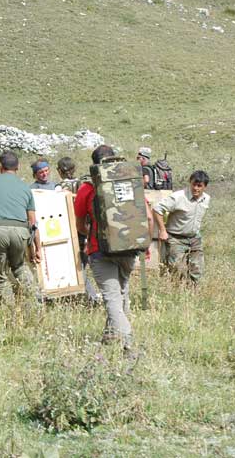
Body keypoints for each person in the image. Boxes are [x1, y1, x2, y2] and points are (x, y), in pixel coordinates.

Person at [74, 145, 152, 355]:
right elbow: (148, 216)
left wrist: (92, 233)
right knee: (122, 293)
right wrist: (144, 244)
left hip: (101, 251)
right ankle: (109, 336)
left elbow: (79, 224)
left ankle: (129, 344)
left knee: (112, 299)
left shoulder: (87, 189)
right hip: (130, 248)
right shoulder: (129, 182)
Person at [0, 151, 42, 307]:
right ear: (18, 167)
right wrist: (37, 247)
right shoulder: (25, 188)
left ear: (0, 166)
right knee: (19, 267)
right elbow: (33, 222)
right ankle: (36, 301)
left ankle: (9, 309)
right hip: (20, 231)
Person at [152, 170, 211, 287]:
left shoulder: (206, 199)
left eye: (200, 186)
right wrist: (162, 230)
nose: (196, 188)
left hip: (194, 238)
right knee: (175, 269)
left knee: (197, 269)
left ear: (205, 187)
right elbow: (157, 208)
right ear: (190, 182)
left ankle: (193, 292)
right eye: (194, 184)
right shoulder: (178, 197)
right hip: (176, 238)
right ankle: (175, 290)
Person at [56, 156, 102, 305]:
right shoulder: (83, 184)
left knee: (78, 267)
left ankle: (92, 296)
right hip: (88, 229)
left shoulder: (59, 188)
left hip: (70, 231)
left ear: (59, 171)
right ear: (74, 169)